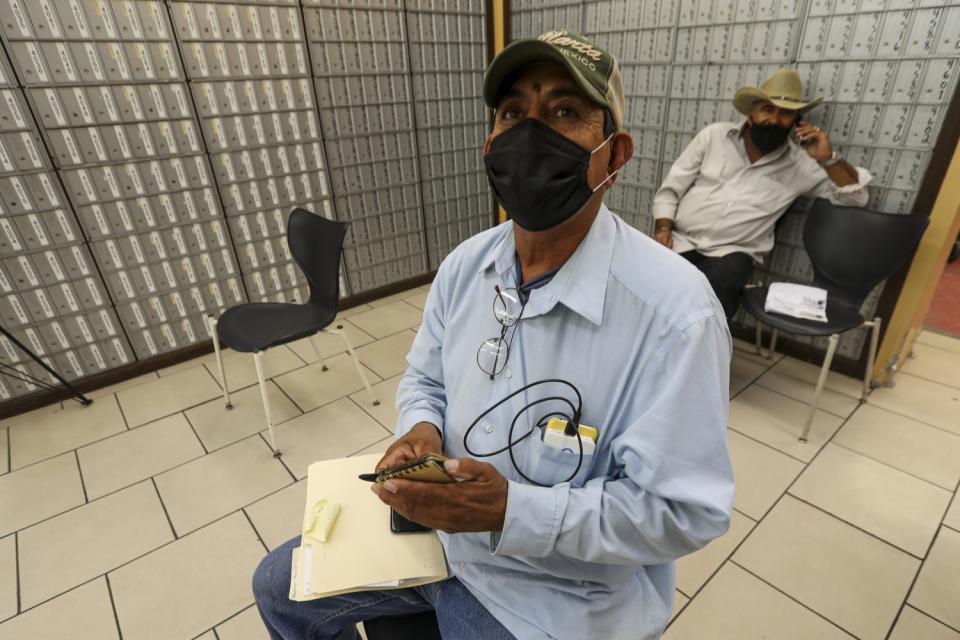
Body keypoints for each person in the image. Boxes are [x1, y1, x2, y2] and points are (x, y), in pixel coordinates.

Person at [253, 29, 733, 640]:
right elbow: (425, 376)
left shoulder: (675, 314)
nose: (532, 133)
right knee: (278, 585)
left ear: (614, 156)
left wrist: (512, 510)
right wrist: (421, 428)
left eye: (565, 111)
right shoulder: (465, 266)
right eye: (513, 113)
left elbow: (681, 512)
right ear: (490, 145)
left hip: (554, 591)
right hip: (437, 541)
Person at [652, 68, 872, 319]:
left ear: (797, 122)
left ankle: (702, 350)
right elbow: (671, 189)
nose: (775, 120)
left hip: (732, 254)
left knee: (718, 290)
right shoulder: (714, 136)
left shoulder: (801, 164)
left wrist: (828, 159)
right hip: (680, 241)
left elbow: (857, 197)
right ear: (751, 114)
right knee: (650, 287)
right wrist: (663, 229)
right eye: (767, 110)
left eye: (786, 114)